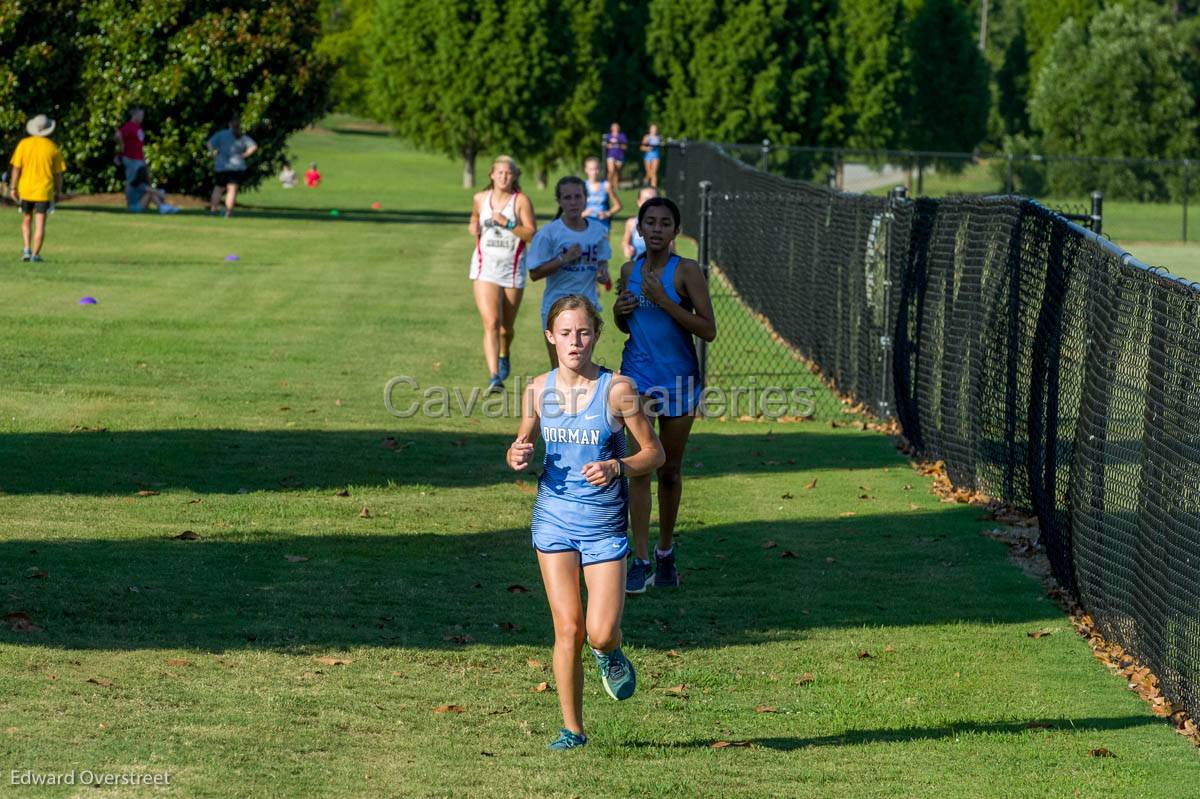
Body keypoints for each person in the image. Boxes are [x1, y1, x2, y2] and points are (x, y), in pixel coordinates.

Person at [507, 294, 665, 751]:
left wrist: (618, 467)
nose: (574, 341)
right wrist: (517, 452)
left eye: (583, 332)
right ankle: (572, 730)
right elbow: (521, 442)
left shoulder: (617, 390)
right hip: (553, 520)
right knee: (568, 629)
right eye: (565, 333)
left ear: (596, 336)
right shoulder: (537, 389)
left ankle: (610, 653)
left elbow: (654, 453)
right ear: (550, 337)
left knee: (599, 631)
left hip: (602, 526)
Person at [613, 197, 716, 593]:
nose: (656, 229)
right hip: (636, 377)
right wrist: (622, 311)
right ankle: (639, 559)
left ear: (675, 231)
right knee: (639, 465)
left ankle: (665, 552)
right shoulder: (629, 270)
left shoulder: (687, 271)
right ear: (638, 229)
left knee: (668, 470)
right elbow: (628, 325)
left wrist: (666, 302)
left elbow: (707, 329)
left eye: (665, 223)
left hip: (678, 381)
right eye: (649, 222)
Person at [467, 155, 536, 394]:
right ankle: (494, 376)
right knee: (491, 322)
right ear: (492, 175)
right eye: (500, 173)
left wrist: (508, 224)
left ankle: (505, 351)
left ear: (515, 176)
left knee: (506, 328)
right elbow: (475, 217)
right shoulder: (480, 198)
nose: (504, 177)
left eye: (509, 173)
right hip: (485, 268)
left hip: (512, 270)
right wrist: (473, 225)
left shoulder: (520, 202)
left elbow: (530, 235)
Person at [529, 176, 612, 368]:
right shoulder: (549, 233)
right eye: (567, 198)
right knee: (560, 370)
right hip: (557, 308)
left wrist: (602, 274)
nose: (573, 202)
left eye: (578, 196)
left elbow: (603, 264)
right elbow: (534, 273)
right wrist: (562, 259)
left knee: (582, 369)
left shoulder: (598, 231)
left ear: (586, 198)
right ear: (559, 201)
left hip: (587, 307)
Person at [9, 114, 65, 263]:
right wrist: (58, 192)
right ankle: (35, 255)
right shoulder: (52, 148)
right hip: (44, 190)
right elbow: (58, 174)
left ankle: (26, 248)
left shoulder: (23, 144)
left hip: (26, 189)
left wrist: (13, 187)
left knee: (26, 219)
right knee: (40, 223)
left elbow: (16, 168)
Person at [207, 116, 257, 218]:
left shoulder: (222, 134)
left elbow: (209, 143)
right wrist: (245, 154)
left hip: (221, 166)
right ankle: (228, 212)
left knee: (218, 188)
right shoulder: (241, 135)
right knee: (232, 190)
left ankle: (213, 210)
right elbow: (253, 147)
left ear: (229, 124)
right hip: (237, 167)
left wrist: (212, 153)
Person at [582, 156, 621, 239]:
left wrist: (607, 213)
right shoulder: (582, 187)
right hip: (586, 225)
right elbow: (573, 210)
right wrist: (584, 214)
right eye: (591, 169)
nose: (594, 172)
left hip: (602, 225)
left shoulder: (606, 185)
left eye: (596, 169)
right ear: (586, 170)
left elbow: (618, 206)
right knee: (587, 251)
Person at [113, 107, 146, 203]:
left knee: (140, 182)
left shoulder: (138, 127)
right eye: (140, 115)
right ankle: (131, 204)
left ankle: (139, 203)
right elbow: (117, 135)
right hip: (131, 159)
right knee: (132, 181)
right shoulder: (130, 126)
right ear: (134, 115)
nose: (142, 117)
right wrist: (122, 146)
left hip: (139, 159)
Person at [621, 186, 658, 261]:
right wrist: (627, 247)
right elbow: (625, 242)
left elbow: (671, 250)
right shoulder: (632, 223)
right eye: (646, 200)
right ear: (639, 202)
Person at [640, 124, 662, 189]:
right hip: (647, 157)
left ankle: (654, 189)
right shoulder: (646, 137)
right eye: (652, 129)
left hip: (656, 156)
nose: (654, 130)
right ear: (650, 130)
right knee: (649, 173)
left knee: (654, 173)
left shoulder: (659, 137)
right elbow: (641, 147)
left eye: (655, 129)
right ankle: (645, 183)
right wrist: (648, 148)